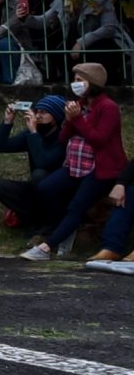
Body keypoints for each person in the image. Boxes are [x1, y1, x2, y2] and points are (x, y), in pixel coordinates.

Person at [20, 62, 126, 262]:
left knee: (77, 206)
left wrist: (77, 120)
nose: (74, 84)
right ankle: (62, 228)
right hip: (75, 165)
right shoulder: (80, 104)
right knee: (46, 188)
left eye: (79, 80)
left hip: (101, 169)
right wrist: (69, 120)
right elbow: (63, 138)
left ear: (92, 83)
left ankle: (46, 247)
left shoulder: (108, 107)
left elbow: (99, 139)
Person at [0, 95, 71, 233]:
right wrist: (7, 122)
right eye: (37, 112)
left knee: (40, 174)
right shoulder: (34, 134)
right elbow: (0, 146)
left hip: (60, 193)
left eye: (44, 113)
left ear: (56, 118)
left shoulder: (63, 137)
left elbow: (43, 162)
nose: (38, 116)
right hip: (37, 189)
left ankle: (52, 222)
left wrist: (34, 133)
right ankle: (33, 220)